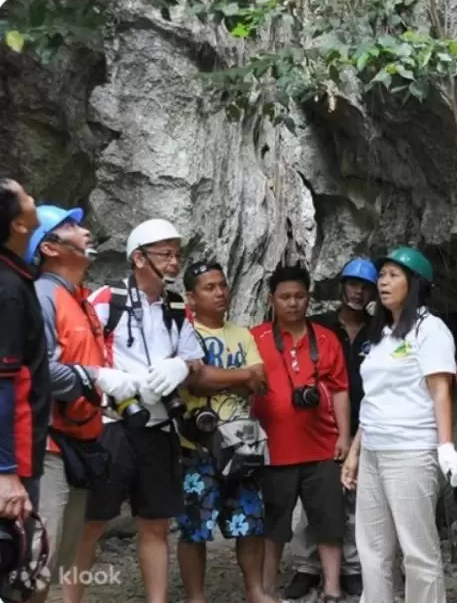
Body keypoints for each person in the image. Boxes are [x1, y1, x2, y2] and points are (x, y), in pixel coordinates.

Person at [80, 219, 216, 603]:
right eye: (165, 254)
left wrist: (181, 367)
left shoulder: (176, 306)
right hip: (113, 425)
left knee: (156, 523)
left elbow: (195, 358)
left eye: (177, 253)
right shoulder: (108, 300)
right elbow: (77, 353)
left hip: (159, 426)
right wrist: (112, 381)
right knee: (91, 523)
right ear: (138, 258)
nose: (174, 262)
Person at [26, 205, 145, 603]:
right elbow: (39, 371)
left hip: (80, 445)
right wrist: (96, 378)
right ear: (49, 247)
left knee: (56, 563)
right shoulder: (41, 297)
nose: (86, 231)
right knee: (34, 566)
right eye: (72, 227)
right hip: (48, 448)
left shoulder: (79, 301)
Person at [341, 247, 457, 603]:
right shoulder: (381, 334)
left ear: (415, 284)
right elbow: (373, 399)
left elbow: (440, 390)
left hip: (411, 452)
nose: (383, 282)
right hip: (375, 452)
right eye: (382, 275)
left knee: (417, 552)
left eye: (394, 275)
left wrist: (446, 446)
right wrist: (354, 453)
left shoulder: (431, 330)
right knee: (372, 548)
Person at [175, 261, 276, 603]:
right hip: (197, 446)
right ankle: (196, 597)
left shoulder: (242, 333)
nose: (220, 293)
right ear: (191, 297)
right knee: (194, 527)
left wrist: (219, 377)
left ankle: (255, 592)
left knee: (250, 522)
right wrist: (240, 376)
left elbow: (261, 380)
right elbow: (195, 380)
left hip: (241, 445)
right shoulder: (184, 334)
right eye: (209, 287)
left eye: (222, 285)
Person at [250, 264, 350, 601]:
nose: (293, 303)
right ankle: (266, 589)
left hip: (322, 446)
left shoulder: (326, 339)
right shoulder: (256, 339)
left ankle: (333, 588)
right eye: (285, 297)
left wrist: (344, 436)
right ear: (272, 300)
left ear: (309, 298)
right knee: (274, 523)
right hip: (273, 447)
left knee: (329, 521)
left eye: (299, 296)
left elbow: (340, 390)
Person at [286, 257, 377, 599]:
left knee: (356, 498)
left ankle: (351, 567)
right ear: (341, 286)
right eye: (353, 284)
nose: (358, 291)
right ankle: (306, 567)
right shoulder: (318, 326)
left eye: (365, 286)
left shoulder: (378, 328)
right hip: (319, 424)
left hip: (365, 423)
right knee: (315, 498)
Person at [0, 180, 46, 520]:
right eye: (26, 195)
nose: (33, 197)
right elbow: (2, 383)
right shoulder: (8, 288)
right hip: (15, 454)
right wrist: (6, 471)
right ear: (18, 223)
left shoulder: (16, 276)